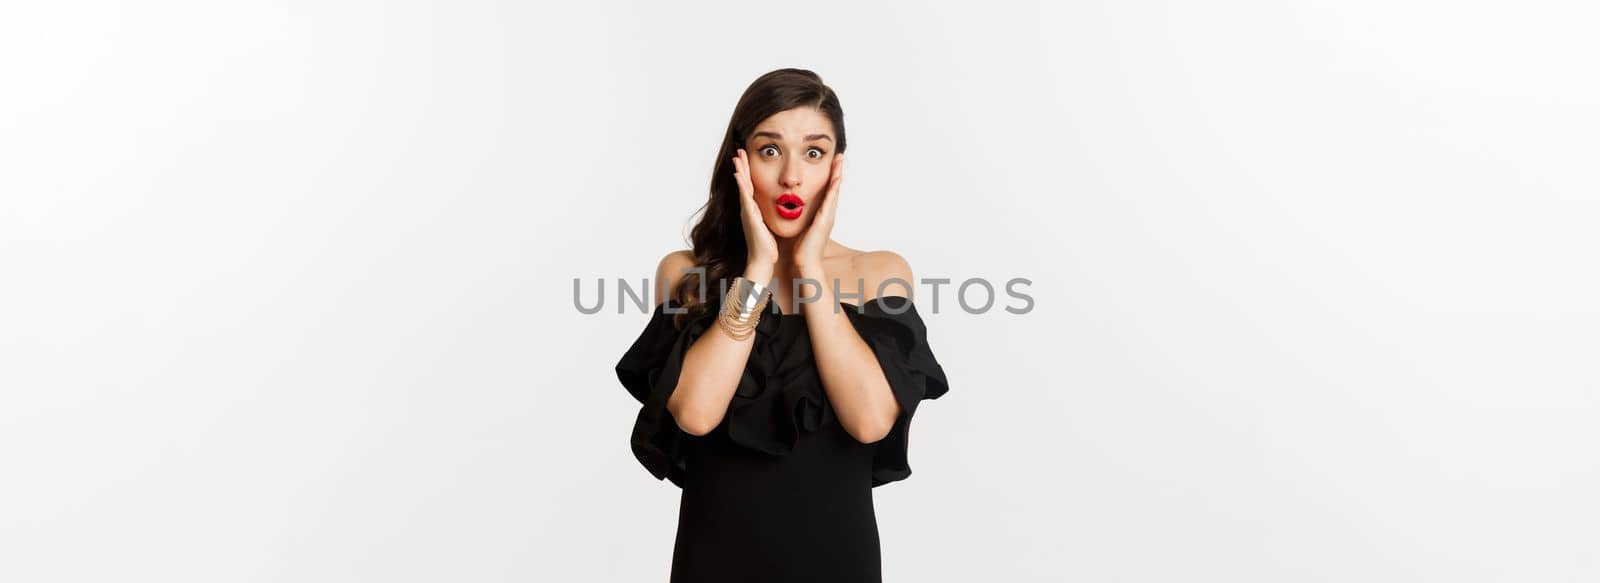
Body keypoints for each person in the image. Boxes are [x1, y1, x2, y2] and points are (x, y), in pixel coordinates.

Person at [614, 68, 951, 582]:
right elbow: (696, 413)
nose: (792, 176)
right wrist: (756, 271)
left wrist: (810, 269)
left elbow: (869, 421)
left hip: (838, 565)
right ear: (740, 161)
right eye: (771, 151)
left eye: (813, 153)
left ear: (835, 167)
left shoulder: (880, 272)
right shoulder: (686, 274)